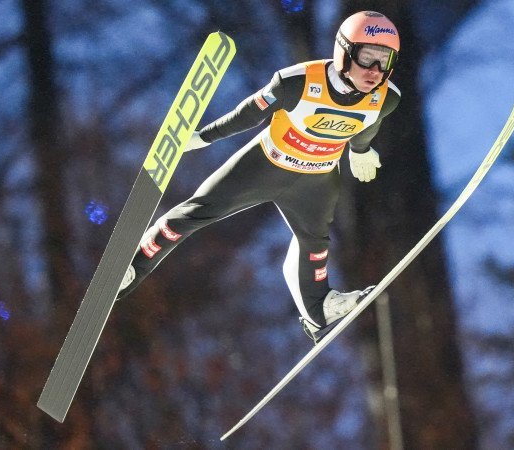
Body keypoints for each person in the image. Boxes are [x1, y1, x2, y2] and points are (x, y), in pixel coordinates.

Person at [118, 11, 401, 343]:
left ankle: (317, 309)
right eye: (368, 58)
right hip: (265, 166)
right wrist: (204, 137)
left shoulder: (387, 97)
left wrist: (360, 150)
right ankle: (133, 267)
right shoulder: (297, 81)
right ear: (345, 52)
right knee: (198, 211)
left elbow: (368, 123)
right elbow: (249, 114)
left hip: (316, 180)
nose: (375, 72)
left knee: (315, 244)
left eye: (385, 61)